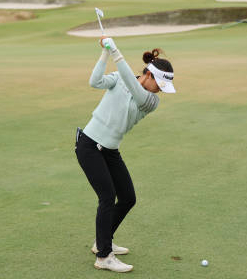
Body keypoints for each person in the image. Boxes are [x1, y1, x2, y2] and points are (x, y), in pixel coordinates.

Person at [75, 37, 175, 273]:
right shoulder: (120, 78)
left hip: (109, 150)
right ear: (149, 75)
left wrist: (115, 50)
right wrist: (105, 54)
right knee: (108, 197)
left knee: (128, 197)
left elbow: (133, 86)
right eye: (159, 84)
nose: (160, 90)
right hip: (89, 145)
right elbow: (95, 81)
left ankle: (103, 241)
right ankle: (103, 256)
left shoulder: (151, 101)